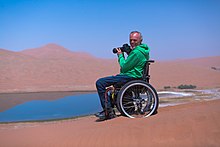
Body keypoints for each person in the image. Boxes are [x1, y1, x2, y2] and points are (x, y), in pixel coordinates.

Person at [95, 31, 150, 120]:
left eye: (135, 40)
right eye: (131, 40)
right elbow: (134, 63)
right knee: (115, 84)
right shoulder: (143, 50)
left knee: (100, 82)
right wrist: (129, 53)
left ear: (141, 40)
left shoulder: (137, 52)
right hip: (134, 76)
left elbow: (124, 67)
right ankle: (128, 108)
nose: (132, 42)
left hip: (131, 77)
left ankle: (107, 111)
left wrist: (120, 56)